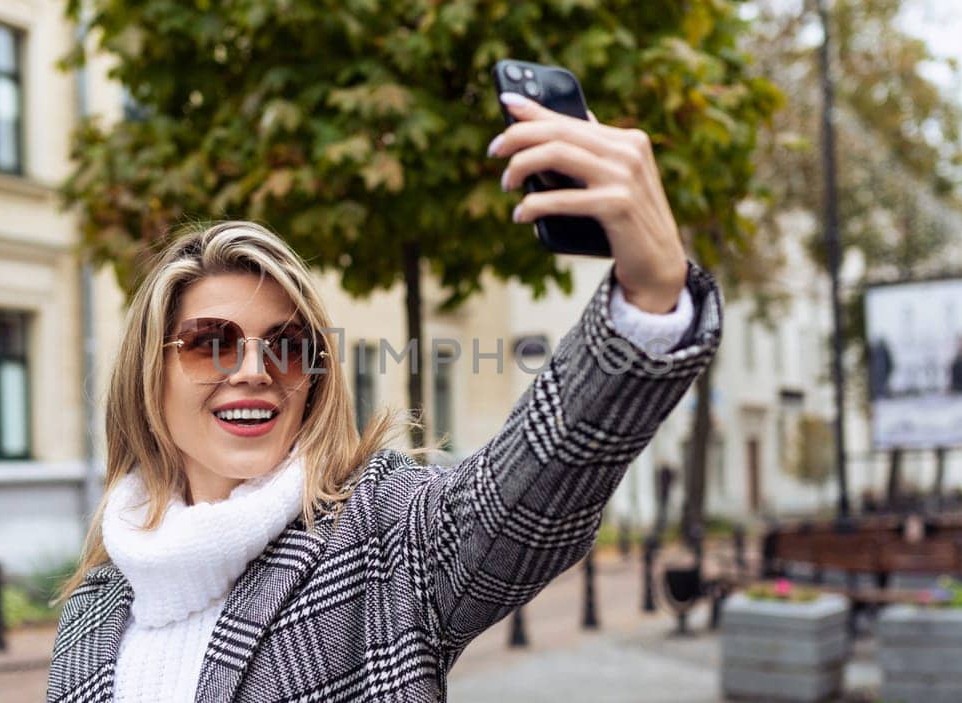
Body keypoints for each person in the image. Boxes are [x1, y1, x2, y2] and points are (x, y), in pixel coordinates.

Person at [46, 92, 724, 702]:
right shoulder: (94, 608)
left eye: (286, 345)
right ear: (149, 373)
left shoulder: (383, 532)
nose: (254, 369)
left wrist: (651, 296)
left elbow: (530, 488)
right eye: (210, 342)